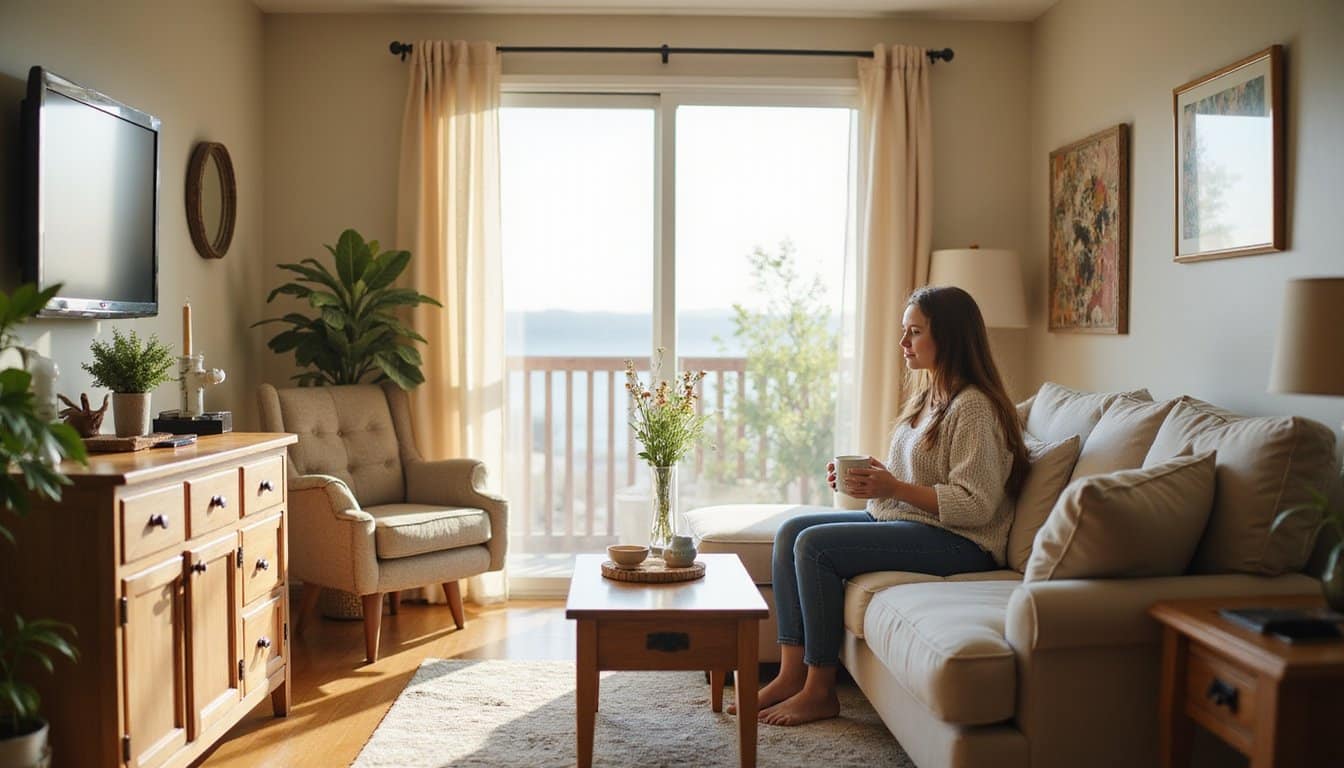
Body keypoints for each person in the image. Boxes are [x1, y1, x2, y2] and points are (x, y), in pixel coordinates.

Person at [747, 284, 1030, 726]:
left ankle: (820, 690)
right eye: (905, 332)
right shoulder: (929, 395)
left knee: (814, 546)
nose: (903, 344)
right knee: (791, 533)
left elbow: (977, 505)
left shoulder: (974, 407)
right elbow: (915, 478)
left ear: (950, 338)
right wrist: (870, 480)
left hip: (962, 541)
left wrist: (893, 487)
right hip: (911, 521)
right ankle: (789, 674)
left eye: (914, 333)